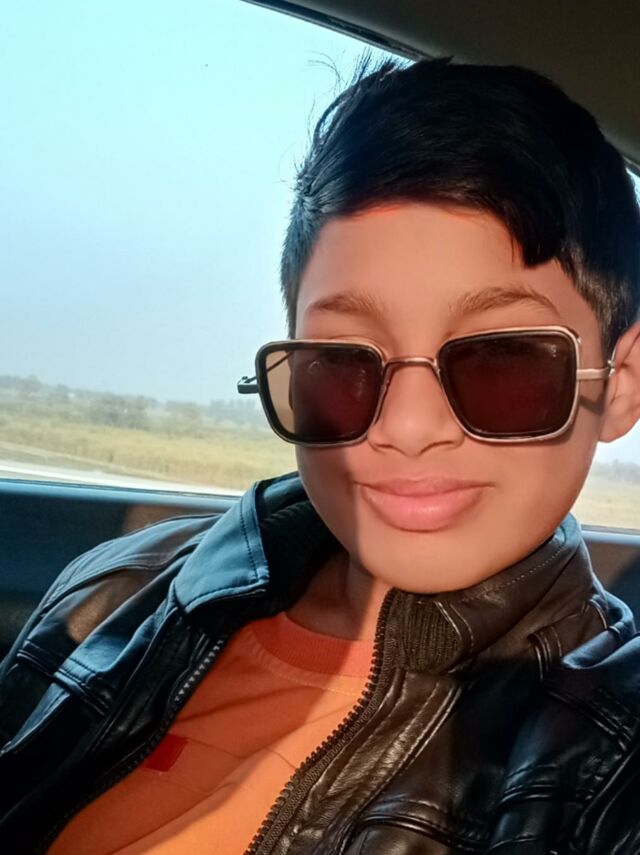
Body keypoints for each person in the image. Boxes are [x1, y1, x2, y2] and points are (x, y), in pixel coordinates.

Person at [1, 57, 640, 855]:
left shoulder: (608, 747)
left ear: (619, 384)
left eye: (502, 358)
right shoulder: (119, 583)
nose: (407, 425)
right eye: (342, 358)